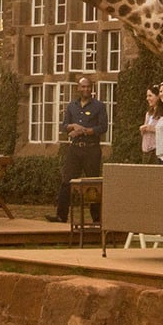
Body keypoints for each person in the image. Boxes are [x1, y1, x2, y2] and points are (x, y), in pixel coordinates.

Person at [52, 76, 108, 222]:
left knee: (93, 184)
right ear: (78, 88)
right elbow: (64, 126)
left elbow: (103, 127)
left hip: (91, 149)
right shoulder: (72, 106)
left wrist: (84, 130)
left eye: (88, 87)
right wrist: (73, 126)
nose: (86, 89)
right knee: (66, 181)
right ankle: (61, 216)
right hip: (75, 149)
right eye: (83, 87)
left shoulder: (99, 106)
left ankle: (97, 218)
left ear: (92, 88)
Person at [138, 87, 161, 163]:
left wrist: (149, 128)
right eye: (147, 96)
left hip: (156, 150)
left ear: (158, 96)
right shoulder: (148, 113)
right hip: (146, 151)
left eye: (150, 96)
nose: (147, 98)